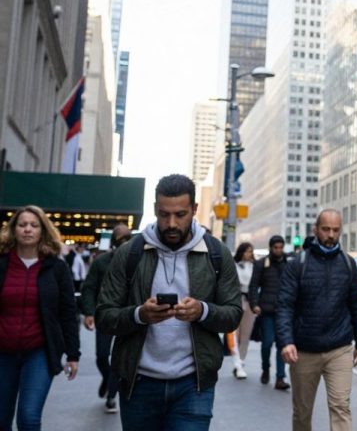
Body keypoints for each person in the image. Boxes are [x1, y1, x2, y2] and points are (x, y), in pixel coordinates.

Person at [96, 174, 242, 431]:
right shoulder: (129, 254)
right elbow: (104, 316)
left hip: (193, 385)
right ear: (155, 209)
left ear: (194, 209)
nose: (171, 223)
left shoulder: (217, 254)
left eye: (180, 214)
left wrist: (202, 311)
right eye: (164, 214)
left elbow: (233, 314)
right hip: (138, 383)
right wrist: (140, 314)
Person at [276, 209, 357, 431]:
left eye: (335, 230)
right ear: (315, 230)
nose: (331, 235)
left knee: (341, 406)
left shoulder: (348, 264)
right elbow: (285, 305)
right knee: (302, 412)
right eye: (326, 229)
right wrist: (286, 341)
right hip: (304, 350)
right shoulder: (298, 263)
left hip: (339, 348)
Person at [0, 205, 81, 431]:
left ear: (42, 231)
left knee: (29, 418)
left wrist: (73, 354)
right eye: (22, 225)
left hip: (39, 352)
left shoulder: (56, 267)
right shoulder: (2, 264)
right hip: (2, 353)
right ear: (14, 230)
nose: (28, 229)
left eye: (34, 225)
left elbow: (68, 312)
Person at [80, 222, 133, 413]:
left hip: (129, 316)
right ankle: (108, 378)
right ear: (113, 242)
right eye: (120, 239)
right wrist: (89, 313)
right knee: (102, 356)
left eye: (128, 238)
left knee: (122, 358)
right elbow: (89, 288)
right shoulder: (101, 262)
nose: (124, 243)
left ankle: (111, 395)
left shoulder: (138, 260)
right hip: (106, 315)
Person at [249, 235, 290, 390]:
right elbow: (253, 285)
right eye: (276, 247)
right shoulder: (261, 264)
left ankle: (280, 377)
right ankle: (265, 368)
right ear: (271, 248)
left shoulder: (288, 264)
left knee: (282, 344)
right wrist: (254, 304)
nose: (278, 250)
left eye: (281, 247)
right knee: (267, 343)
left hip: (284, 310)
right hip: (266, 310)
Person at [230, 241, 257, 380]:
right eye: (247, 251)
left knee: (246, 335)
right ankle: (237, 362)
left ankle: (240, 362)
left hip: (250, 302)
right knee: (235, 334)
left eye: (251, 251)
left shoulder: (255, 266)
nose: (249, 254)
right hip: (237, 300)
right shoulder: (234, 265)